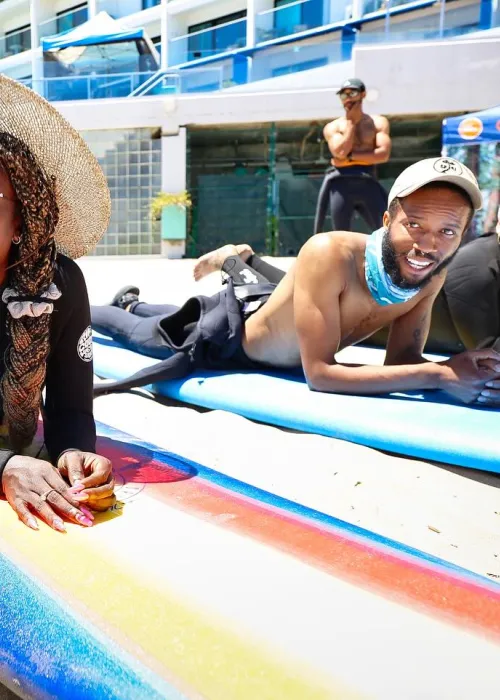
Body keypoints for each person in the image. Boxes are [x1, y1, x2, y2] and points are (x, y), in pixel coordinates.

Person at [92, 157, 500, 408]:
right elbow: (320, 374)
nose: (428, 244)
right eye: (414, 224)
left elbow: (400, 363)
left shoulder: (432, 272)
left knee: (161, 311)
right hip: (229, 338)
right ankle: (95, 308)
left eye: (449, 232)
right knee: (128, 329)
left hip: (282, 311)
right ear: (387, 220)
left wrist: (465, 370)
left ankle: (144, 298)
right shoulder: (330, 253)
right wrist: (440, 375)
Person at [0, 75, 115, 532]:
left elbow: (69, 407)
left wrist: (74, 454)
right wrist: (7, 468)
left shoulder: (59, 284)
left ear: (21, 220)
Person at [314, 78, 391, 234]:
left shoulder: (378, 122)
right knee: (340, 235)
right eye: (343, 95)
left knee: (387, 230)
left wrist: (348, 158)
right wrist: (351, 123)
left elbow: (383, 155)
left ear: (363, 94)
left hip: (367, 180)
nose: (348, 98)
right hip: (340, 184)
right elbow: (339, 152)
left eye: (352, 93)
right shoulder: (333, 126)